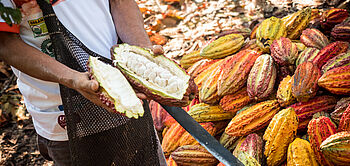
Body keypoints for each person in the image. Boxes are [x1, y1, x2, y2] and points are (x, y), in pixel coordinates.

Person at [0, 0, 166, 165]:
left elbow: (120, 2)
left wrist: (142, 52)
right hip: (64, 113)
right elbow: (5, 43)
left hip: (125, 89)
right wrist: (73, 79)